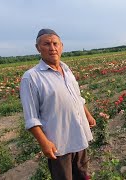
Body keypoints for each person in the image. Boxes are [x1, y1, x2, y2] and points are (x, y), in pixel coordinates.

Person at [20, 28, 96, 180]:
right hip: (59, 142)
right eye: (47, 44)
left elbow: (77, 97)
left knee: (82, 174)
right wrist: (44, 143)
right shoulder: (31, 77)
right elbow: (31, 117)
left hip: (79, 135)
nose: (52, 48)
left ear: (61, 46)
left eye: (55, 43)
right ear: (38, 48)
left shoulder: (67, 70)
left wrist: (87, 115)